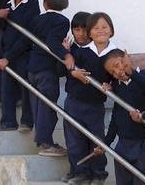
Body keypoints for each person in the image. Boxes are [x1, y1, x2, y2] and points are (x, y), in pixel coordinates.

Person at [4, 0, 74, 155]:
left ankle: (43, 140)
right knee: (47, 107)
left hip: (32, 69)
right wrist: (66, 55)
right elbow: (52, 41)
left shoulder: (36, 20)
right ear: (64, 5)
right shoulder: (63, 21)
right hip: (46, 70)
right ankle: (46, 143)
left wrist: (8, 57)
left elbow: (24, 41)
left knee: (38, 106)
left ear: (44, 3)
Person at [64, 12, 117, 185]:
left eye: (104, 27)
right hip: (74, 101)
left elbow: (119, 78)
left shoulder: (116, 54)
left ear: (111, 30)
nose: (100, 31)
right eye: (96, 28)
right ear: (90, 33)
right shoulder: (81, 52)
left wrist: (111, 86)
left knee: (96, 140)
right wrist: (74, 73)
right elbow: (67, 69)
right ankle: (80, 172)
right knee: (74, 140)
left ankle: (98, 174)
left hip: (95, 105)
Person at [93, 48, 145, 185]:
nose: (117, 72)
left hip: (144, 143)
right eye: (112, 72)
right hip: (123, 143)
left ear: (126, 58)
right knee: (123, 180)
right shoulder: (117, 86)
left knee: (142, 180)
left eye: (117, 65)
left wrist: (131, 72)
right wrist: (106, 142)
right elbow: (116, 117)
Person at [0, 0, 40, 131]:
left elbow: (27, 35)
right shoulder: (6, 4)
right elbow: (1, 28)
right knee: (6, 87)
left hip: (23, 52)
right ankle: (7, 121)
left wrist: (9, 56)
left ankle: (27, 121)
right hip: (7, 52)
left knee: (25, 86)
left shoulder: (33, 4)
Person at [60, 11, 92, 183]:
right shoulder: (70, 49)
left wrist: (73, 69)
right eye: (76, 29)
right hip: (72, 99)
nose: (80, 34)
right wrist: (64, 54)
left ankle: (92, 173)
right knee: (72, 140)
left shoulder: (95, 50)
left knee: (91, 140)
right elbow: (60, 71)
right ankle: (76, 170)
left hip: (92, 102)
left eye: (84, 29)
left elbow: (90, 73)